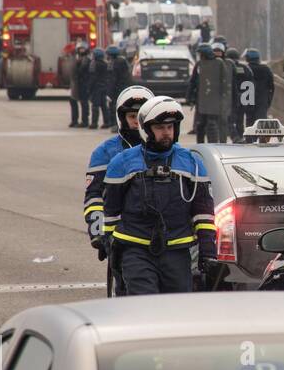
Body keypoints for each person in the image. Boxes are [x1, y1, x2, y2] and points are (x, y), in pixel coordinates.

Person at [103, 96, 216, 295]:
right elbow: (111, 211)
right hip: (135, 249)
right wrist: (111, 245)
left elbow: (203, 212)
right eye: (160, 128)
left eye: (170, 127)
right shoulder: (121, 163)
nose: (166, 133)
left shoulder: (192, 163)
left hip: (177, 252)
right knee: (144, 305)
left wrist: (207, 250)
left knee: (176, 310)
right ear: (146, 130)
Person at [84, 85, 153, 296]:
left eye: (140, 115)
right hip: (121, 234)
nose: (135, 121)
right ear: (120, 117)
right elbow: (94, 197)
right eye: (131, 115)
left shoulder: (163, 149)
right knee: (124, 292)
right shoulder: (104, 152)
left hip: (159, 234)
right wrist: (98, 233)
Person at [193, 45, 232, 143]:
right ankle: (200, 145)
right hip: (202, 99)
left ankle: (213, 145)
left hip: (215, 99)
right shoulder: (199, 64)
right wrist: (190, 96)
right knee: (200, 124)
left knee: (212, 123)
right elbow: (193, 81)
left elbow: (225, 80)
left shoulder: (219, 63)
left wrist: (224, 95)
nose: (200, 56)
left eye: (201, 54)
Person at [224, 48, 251, 141]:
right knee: (240, 120)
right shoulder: (245, 68)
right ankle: (241, 137)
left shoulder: (226, 68)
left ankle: (235, 137)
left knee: (230, 120)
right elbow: (250, 82)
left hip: (231, 98)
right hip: (243, 97)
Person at [243, 49, 274, 128]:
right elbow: (271, 86)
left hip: (249, 98)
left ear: (247, 58)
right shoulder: (265, 69)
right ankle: (261, 139)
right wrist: (268, 100)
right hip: (262, 99)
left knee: (249, 122)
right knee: (261, 123)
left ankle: (250, 139)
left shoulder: (245, 69)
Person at [107, 45, 131, 131]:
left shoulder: (114, 63)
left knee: (114, 107)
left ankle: (115, 125)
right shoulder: (123, 61)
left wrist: (109, 93)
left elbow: (113, 79)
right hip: (124, 88)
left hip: (117, 89)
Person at [70, 44, 92, 128]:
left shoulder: (86, 60)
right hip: (77, 84)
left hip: (84, 84)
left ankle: (84, 121)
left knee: (84, 103)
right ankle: (74, 120)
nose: (81, 50)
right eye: (80, 49)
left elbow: (81, 71)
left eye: (83, 49)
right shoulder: (78, 59)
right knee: (73, 101)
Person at [88, 47, 111, 129]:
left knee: (95, 106)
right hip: (104, 87)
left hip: (96, 88)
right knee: (104, 106)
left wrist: (89, 88)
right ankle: (107, 122)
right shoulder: (106, 64)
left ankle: (94, 123)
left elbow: (92, 78)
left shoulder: (94, 64)